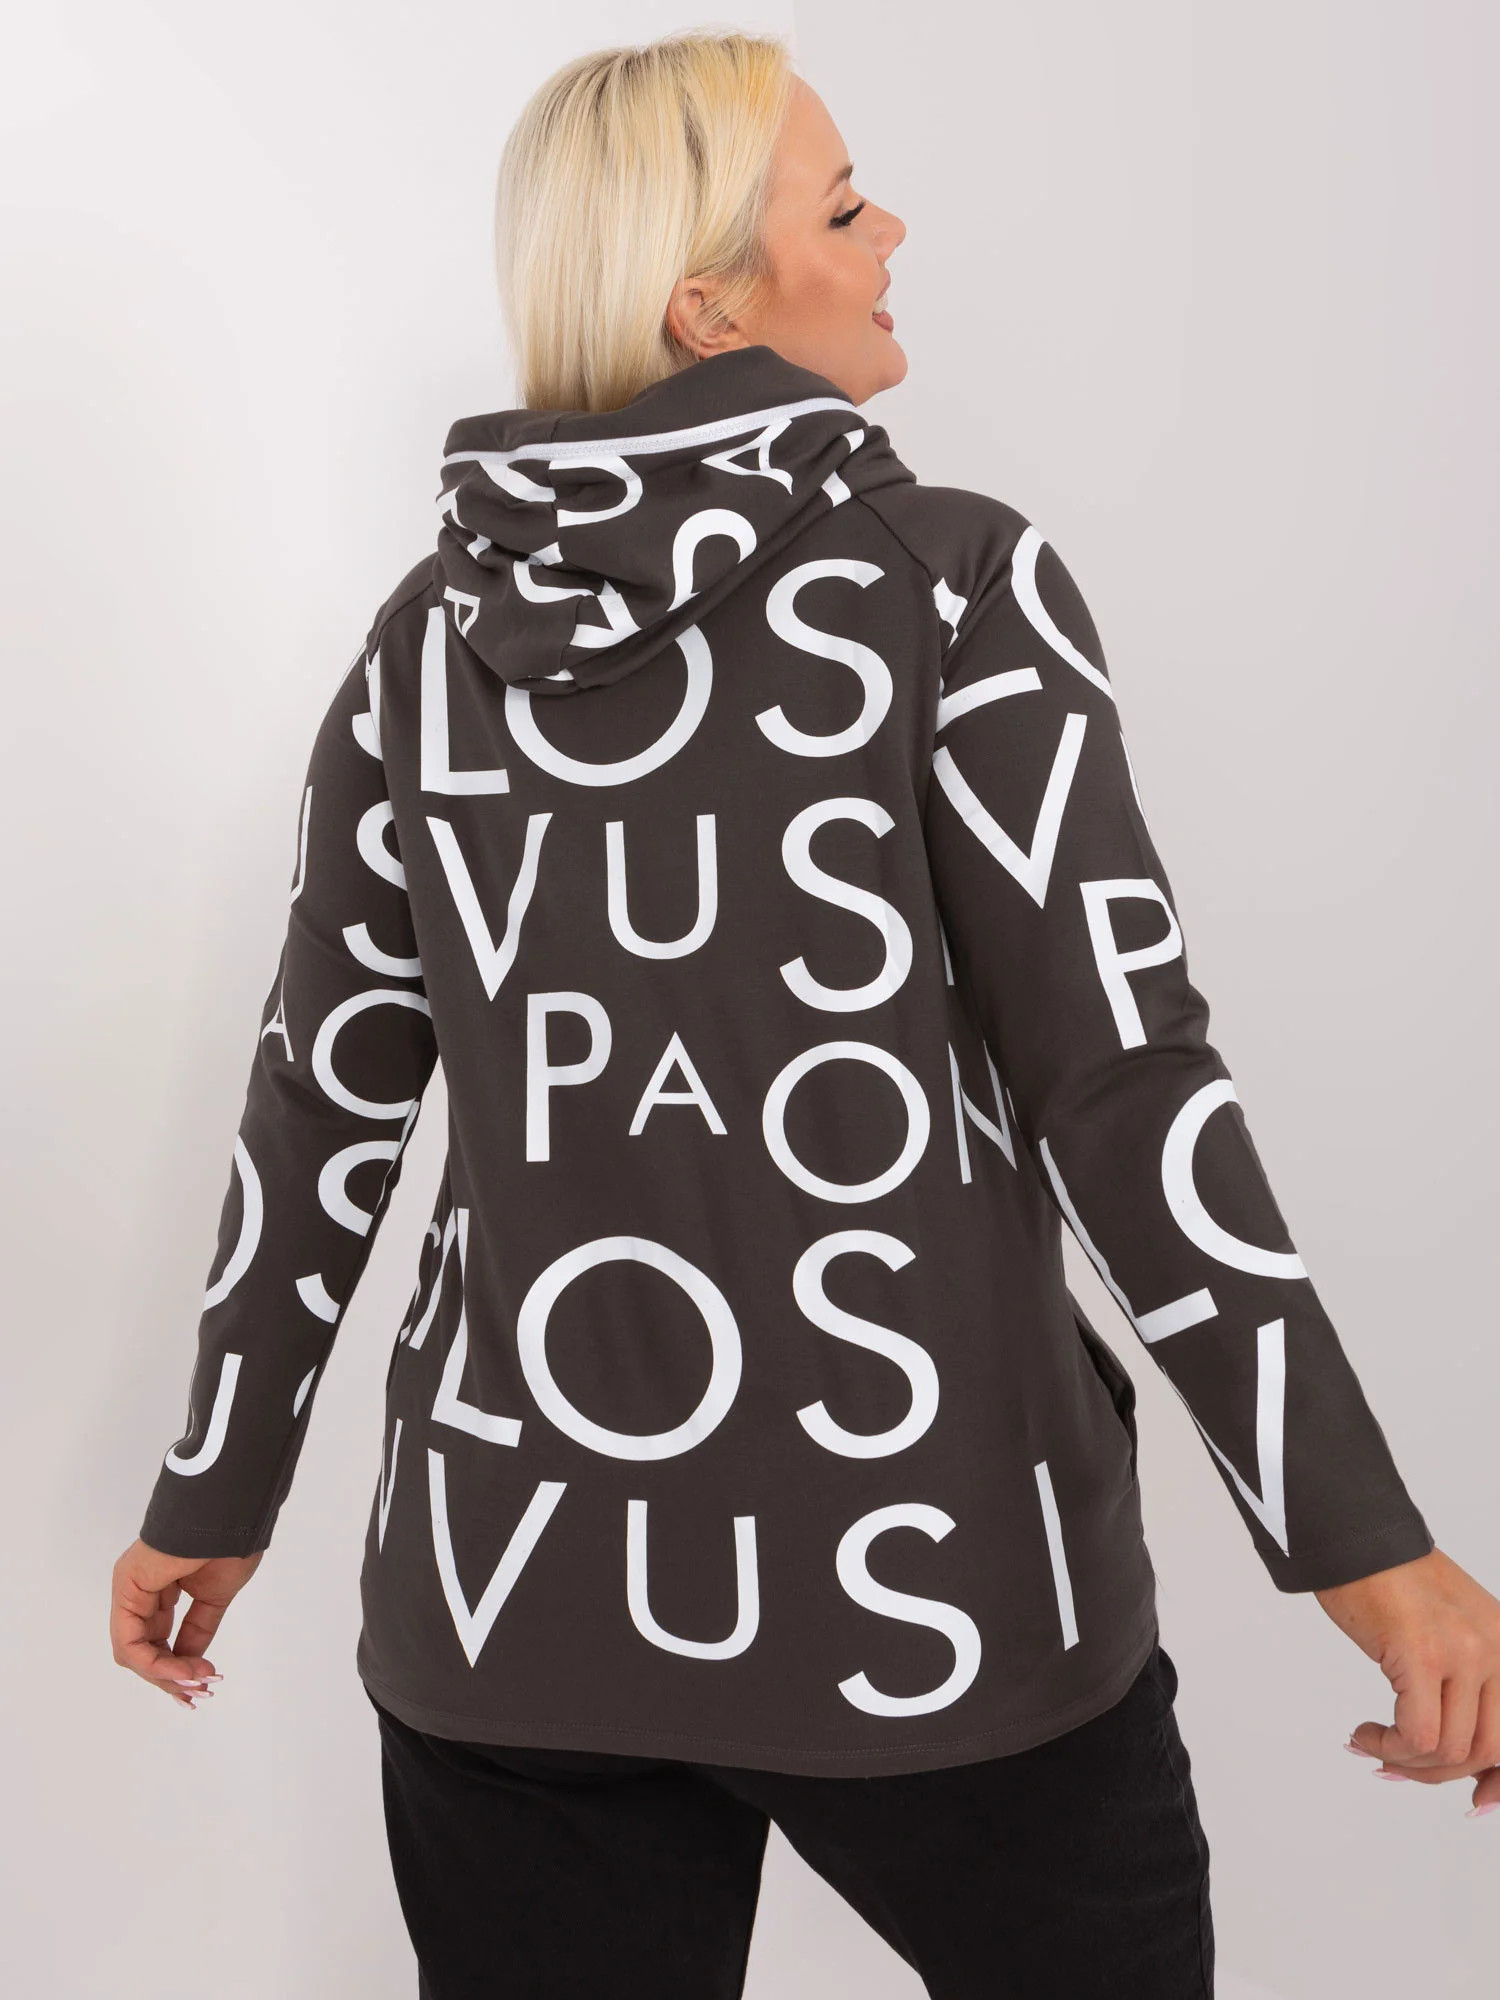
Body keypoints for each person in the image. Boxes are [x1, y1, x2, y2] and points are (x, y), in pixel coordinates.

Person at [110, 29, 1500, 1998]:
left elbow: (322, 1101)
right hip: (942, 1595)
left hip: (514, 1602)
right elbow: (1122, 1087)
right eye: (842, 209)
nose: (891, 231)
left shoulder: (426, 646)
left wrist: (217, 1485)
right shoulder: (950, 587)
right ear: (710, 306)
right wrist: (1366, 1546)